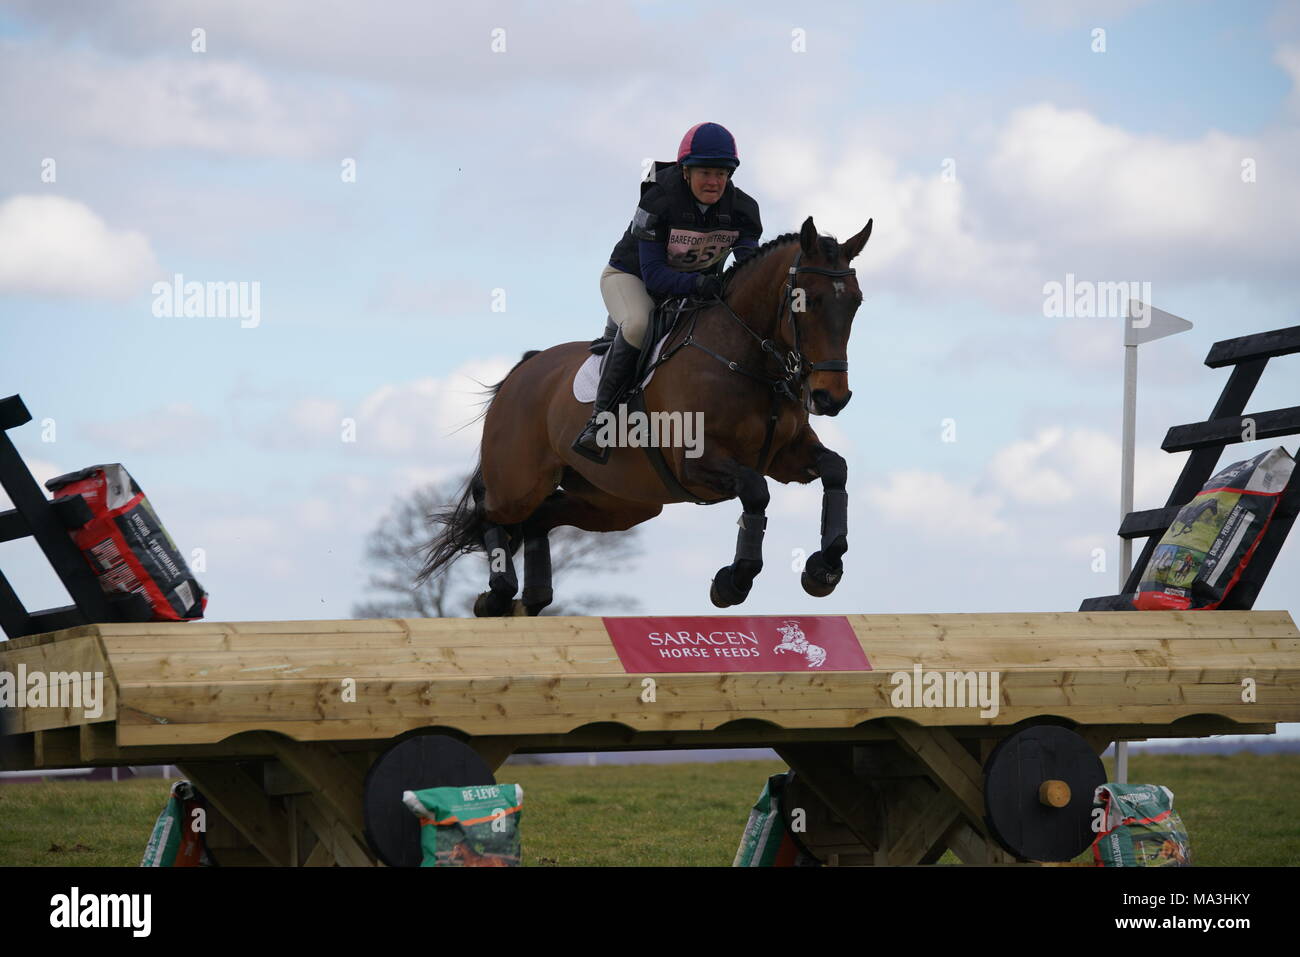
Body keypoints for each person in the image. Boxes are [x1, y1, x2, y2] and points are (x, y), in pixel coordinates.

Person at [572, 122, 763, 463]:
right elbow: (656, 277)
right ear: (685, 172)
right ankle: (600, 424)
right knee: (637, 326)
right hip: (632, 279)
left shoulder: (744, 210)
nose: (714, 182)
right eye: (705, 172)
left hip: (693, 287)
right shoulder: (658, 200)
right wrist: (700, 284)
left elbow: (749, 267)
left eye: (722, 173)